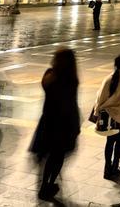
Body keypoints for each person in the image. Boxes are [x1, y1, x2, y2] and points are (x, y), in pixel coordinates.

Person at [30, 49, 80, 201]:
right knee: (57, 157)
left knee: (49, 156)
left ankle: (44, 184)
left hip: (48, 121)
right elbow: (71, 104)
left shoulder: (50, 75)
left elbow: (46, 88)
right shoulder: (70, 78)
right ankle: (49, 184)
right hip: (64, 124)